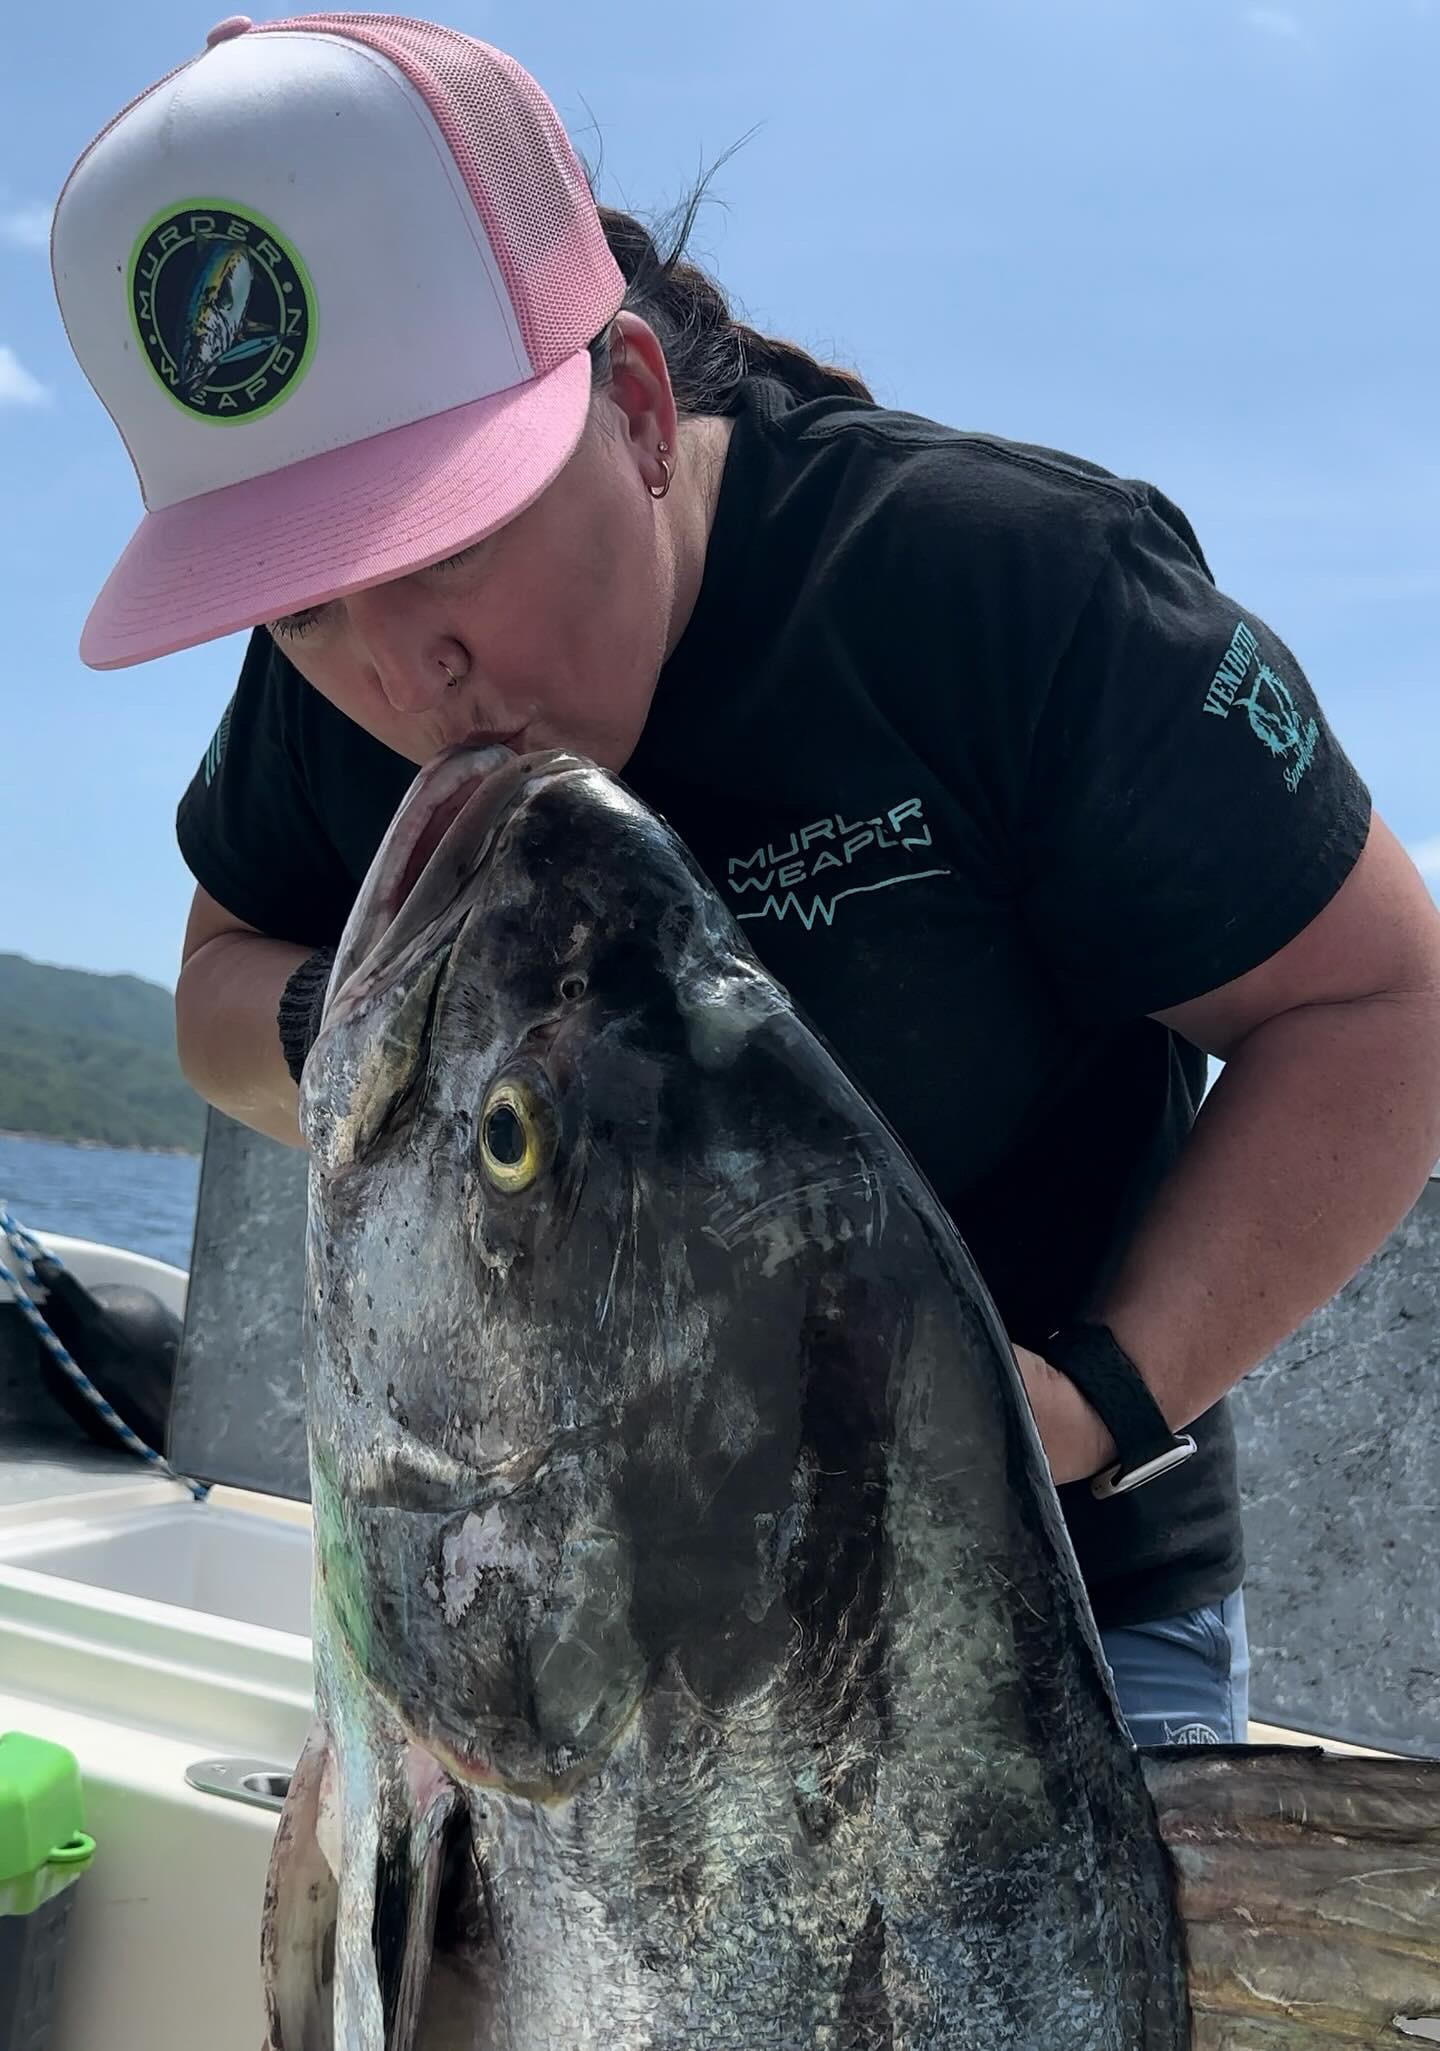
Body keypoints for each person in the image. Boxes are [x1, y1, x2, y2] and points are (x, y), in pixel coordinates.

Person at [51, 13, 1440, 1749]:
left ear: (634, 404)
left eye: (452, 534)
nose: (407, 675)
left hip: (1035, 1601)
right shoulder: (335, 690)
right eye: (302, 594)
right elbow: (213, 994)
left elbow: (1385, 1004)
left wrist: (1076, 1408)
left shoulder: (1009, 593)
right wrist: (392, 1031)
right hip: (545, 1589)